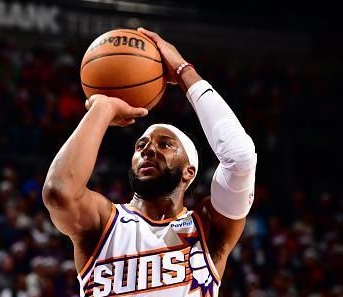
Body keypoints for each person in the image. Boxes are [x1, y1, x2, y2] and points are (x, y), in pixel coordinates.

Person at [42, 28, 257, 297]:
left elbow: (241, 157)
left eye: (165, 144)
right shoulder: (104, 222)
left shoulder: (208, 229)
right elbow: (58, 192)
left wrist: (182, 71)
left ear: (189, 172)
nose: (148, 150)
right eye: (140, 145)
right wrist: (103, 109)